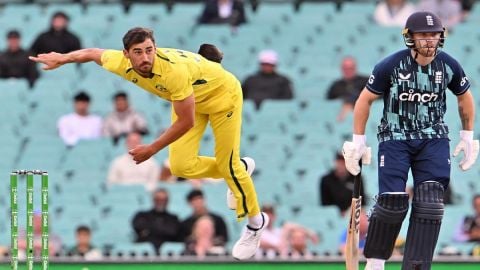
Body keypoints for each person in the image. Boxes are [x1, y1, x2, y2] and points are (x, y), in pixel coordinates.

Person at [30, 27, 268, 260]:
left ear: (154, 48)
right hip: (192, 100)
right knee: (181, 167)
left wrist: (152, 148)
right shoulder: (120, 63)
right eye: (138, 52)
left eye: (149, 50)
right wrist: (64, 58)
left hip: (223, 98)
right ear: (126, 54)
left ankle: (255, 224)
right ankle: (238, 169)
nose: (145, 57)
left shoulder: (172, 72)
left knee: (227, 166)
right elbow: (93, 53)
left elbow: (186, 121)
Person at [342, 11, 479, 270]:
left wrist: (468, 135)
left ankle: (416, 265)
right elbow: (364, 100)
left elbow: (465, 96)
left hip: (433, 138)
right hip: (395, 137)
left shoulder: (448, 65)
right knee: (393, 201)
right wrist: (358, 140)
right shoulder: (391, 65)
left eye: (434, 34)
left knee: (430, 202)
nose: (429, 40)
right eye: (423, 35)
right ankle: (375, 260)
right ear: (410, 37)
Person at [131, 188, 182, 254]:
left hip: (168, 255)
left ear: (168, 201)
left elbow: (172, 232)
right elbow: (137, 226)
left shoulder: (173, 218)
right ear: (153, 200)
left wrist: (148, 230)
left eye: (164, 200)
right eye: (157, 199)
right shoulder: (142, 215)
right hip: (145, 255)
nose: (161, 202)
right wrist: (163, 228)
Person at [326, 57, 369, 121]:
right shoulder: (336, 86)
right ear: (342, 69)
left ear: (355, 68)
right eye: (346, 68)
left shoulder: (366, 81)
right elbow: (328, 101)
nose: (348, 71)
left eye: (351, 68)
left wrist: (349, 104)